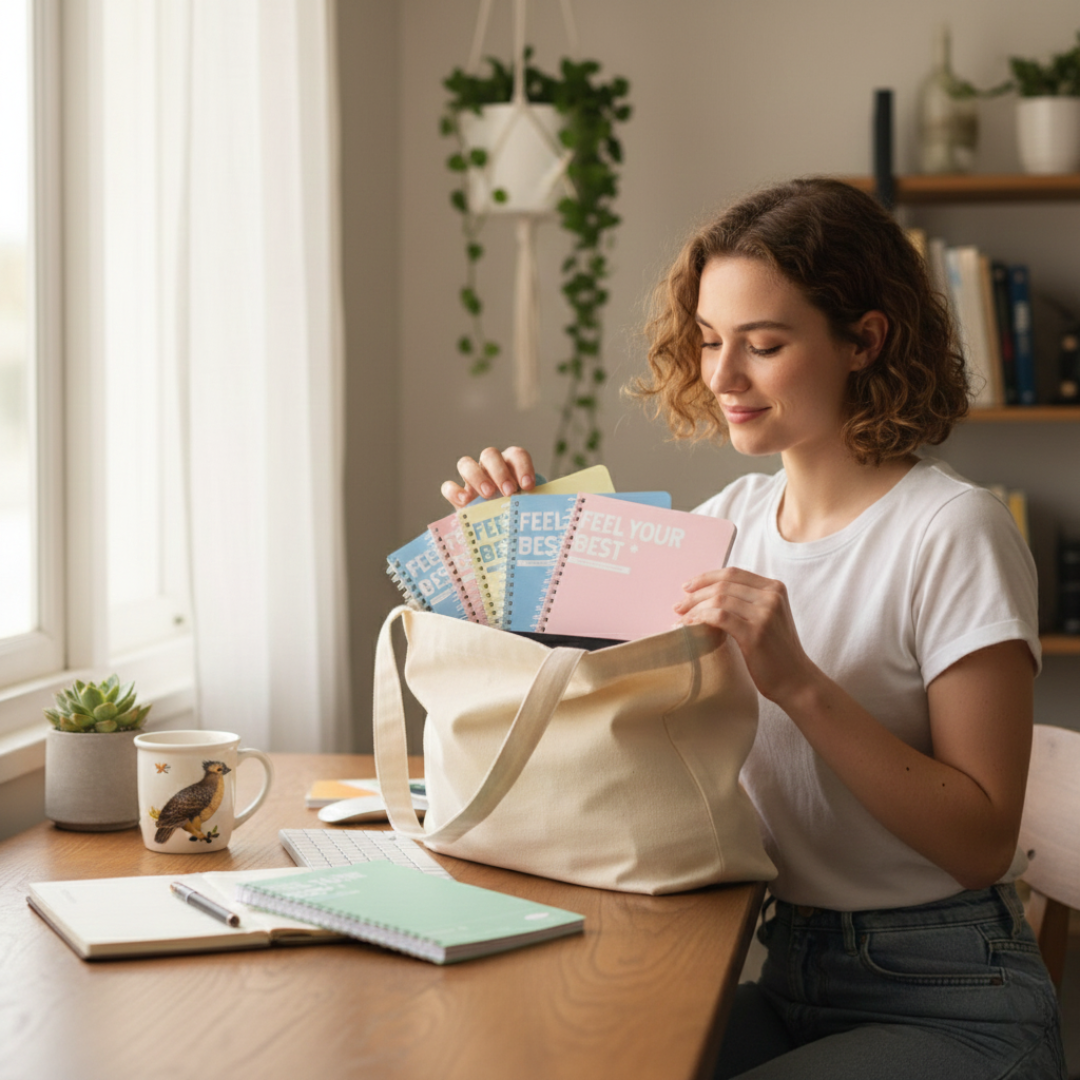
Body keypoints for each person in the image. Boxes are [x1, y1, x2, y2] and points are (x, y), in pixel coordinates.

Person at [441, 177, 1067, 1079]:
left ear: (865, 339)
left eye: (763, 346)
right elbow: (607, 721)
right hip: (785, 967)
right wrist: (517, 543)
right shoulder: (729, 518)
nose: (722, 378)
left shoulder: (954, 532)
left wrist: (800, 682)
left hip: (953, 995)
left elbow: (980, 841)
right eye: (707, 341)